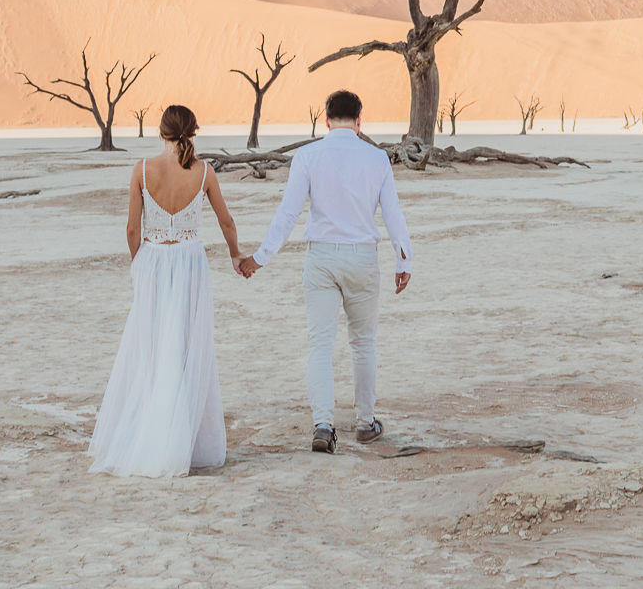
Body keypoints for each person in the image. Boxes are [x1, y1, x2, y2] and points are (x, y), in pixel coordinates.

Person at [237, 89, 412, 454]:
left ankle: (323, 426)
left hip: (321, 260)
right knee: (363, 344)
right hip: (363, 258)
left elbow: (288, 213)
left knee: (320, 345)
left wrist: (260, 257)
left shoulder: (308, 155)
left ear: (326, 119)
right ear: (360, 121)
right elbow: (392, 213)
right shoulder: (377, 158)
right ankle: (365, 423)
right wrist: (403, 259)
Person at [89, 105, 244, 476]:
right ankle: (181, 441)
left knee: (153, 347)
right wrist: (236, 255)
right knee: (188, 347)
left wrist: (137, 264)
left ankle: (149, 436)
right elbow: (226, 220)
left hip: (154, 261)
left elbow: (131, 229)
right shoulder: (204, 171)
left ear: (161, 133)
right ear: (193, 132)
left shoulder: (143, 170)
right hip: (190, 263)